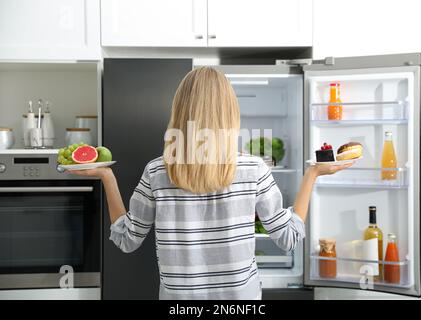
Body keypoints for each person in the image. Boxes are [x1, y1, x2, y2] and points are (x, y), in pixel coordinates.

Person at [69, 67, 352, 299]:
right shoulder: (254, 169)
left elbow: (126, 239)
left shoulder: (157, 171)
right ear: (230, 113)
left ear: (179, 111)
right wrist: (311, 175)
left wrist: (107, 177)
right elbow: (288, 237)